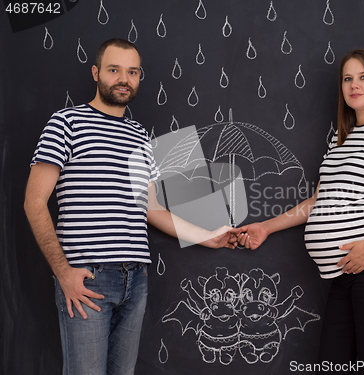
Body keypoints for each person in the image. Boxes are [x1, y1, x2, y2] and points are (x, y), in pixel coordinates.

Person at [24, 38, 239, 375]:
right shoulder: (65, 123)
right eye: (114, 70)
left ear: (139, 77)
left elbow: (151, 209)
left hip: (136, 280)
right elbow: (33, 201)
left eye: (132, 72)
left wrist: (209, 237)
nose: (123, 79)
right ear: (96, 73)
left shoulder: (140, 135)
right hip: (87, 279)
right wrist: (62, 272)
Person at [238, 48, 364, 374]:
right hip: (344, 276)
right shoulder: (339, 140)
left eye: (363, 77)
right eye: (347, 79)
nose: (354, 85)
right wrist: (266, 227)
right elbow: (318, 203)